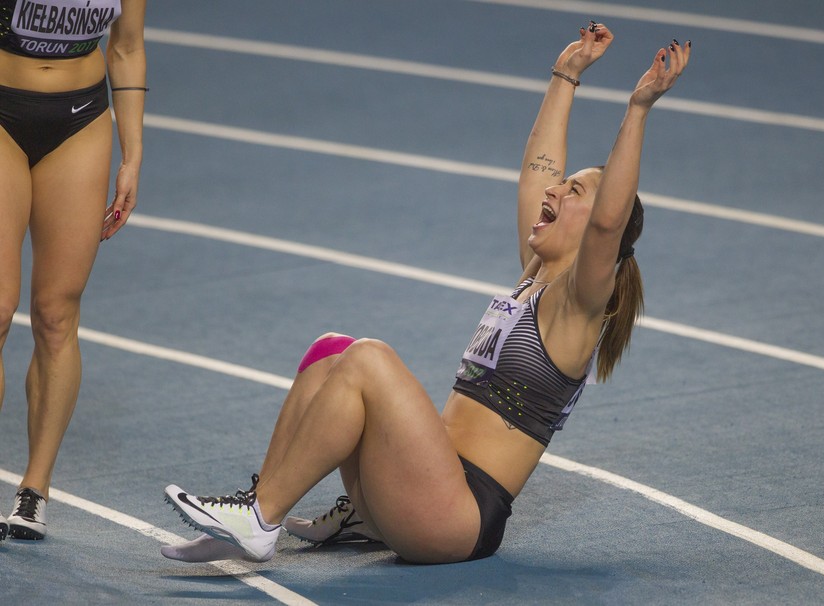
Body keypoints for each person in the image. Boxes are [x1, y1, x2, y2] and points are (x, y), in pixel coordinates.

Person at [163, 22, 690, 564]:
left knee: (370, 359)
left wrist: (639, 107)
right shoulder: (536, 271)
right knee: (331, 350)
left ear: (600, 228)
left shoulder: (577, 306)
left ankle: (259, 518)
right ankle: (274, 508)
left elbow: (608, 222)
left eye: (573, 191)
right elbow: (538, 167)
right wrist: (566, 74)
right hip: (419, 482)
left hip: (457, 517)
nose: (554, 189)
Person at [0, 0, 148, 542]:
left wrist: (131, 154)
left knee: (56, 314)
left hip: (81, 118)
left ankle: (34, 490)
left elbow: (127, 46)